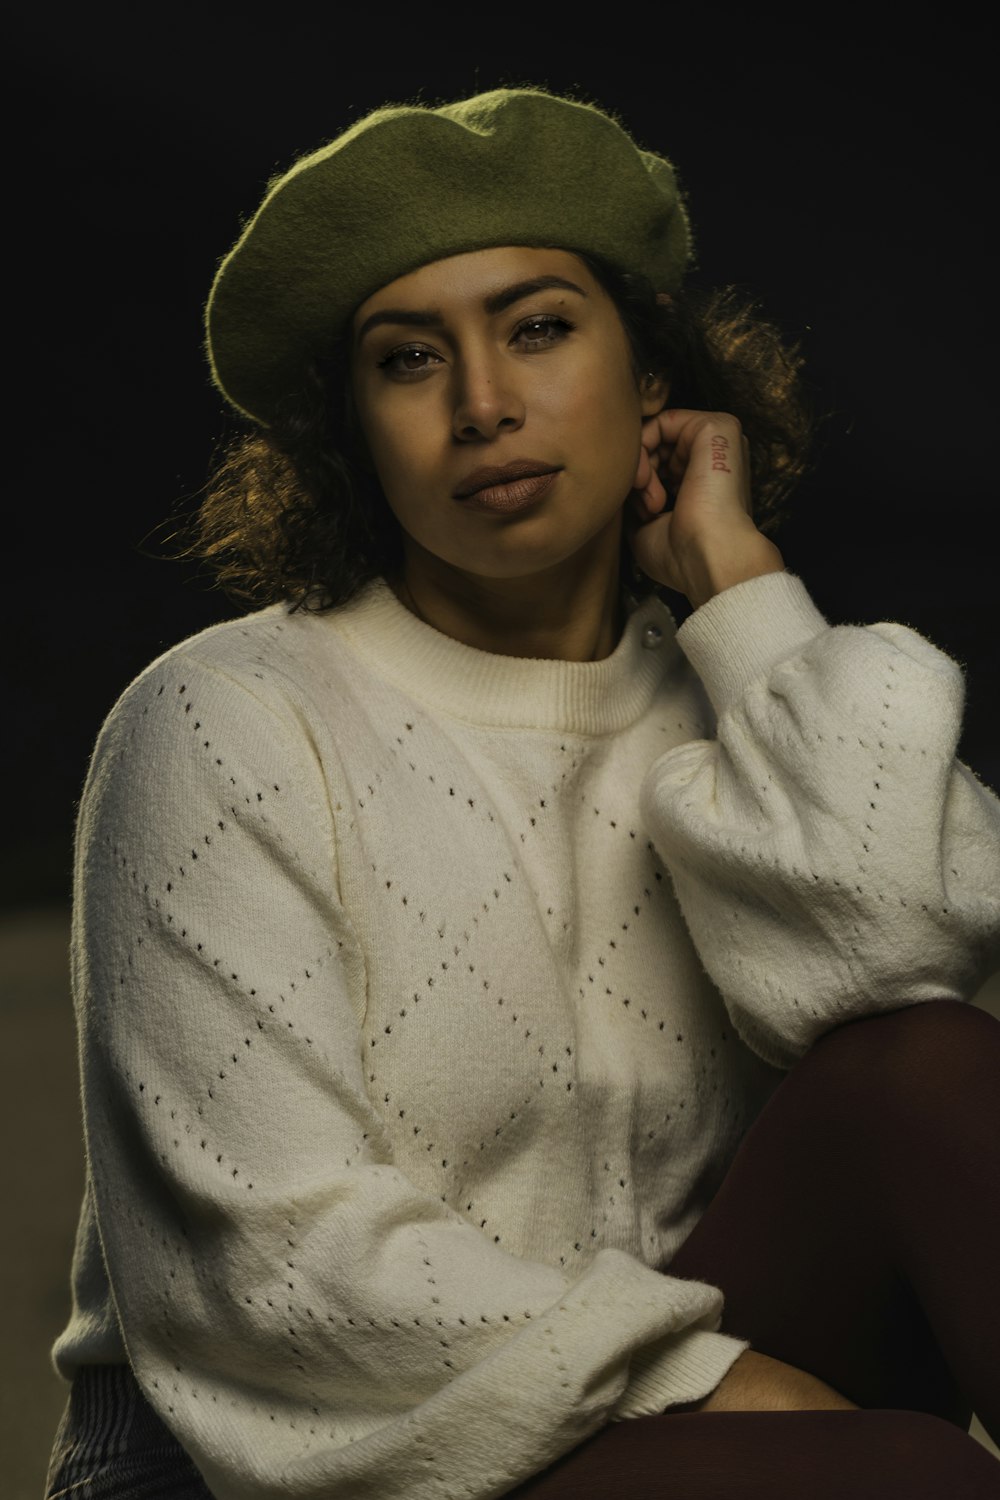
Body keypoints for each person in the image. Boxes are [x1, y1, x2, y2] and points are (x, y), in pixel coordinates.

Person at [44, 85, 1000, 1500]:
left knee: (921, 1066)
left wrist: (743, 599)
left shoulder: (725, 692)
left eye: (540, 328)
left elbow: (914, 951)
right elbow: (272, 1265)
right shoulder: (225, 718)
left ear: (653, 380)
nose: (485, 404)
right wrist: (713, 1381)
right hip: (301, 1463)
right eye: (409, 360)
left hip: (643, 1420)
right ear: (354, 431)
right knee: (904, 1474)